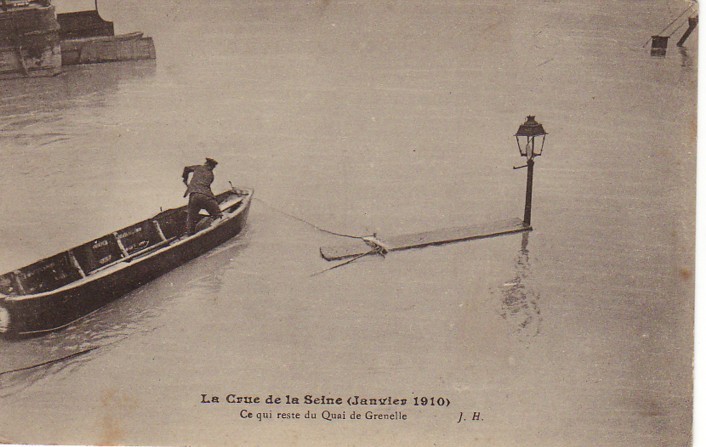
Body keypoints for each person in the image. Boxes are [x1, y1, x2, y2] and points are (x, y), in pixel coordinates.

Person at [182, 158, 223, 235]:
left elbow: (186, 168)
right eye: (213, 167)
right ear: (210, 166)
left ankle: (190, 236)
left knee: (191, 219)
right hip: (206, 197)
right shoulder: (211, 175)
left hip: (194, 196)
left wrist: (185, 179)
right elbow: (205, 187)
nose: (213, 169)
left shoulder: (198, 167)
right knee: (218, 216)